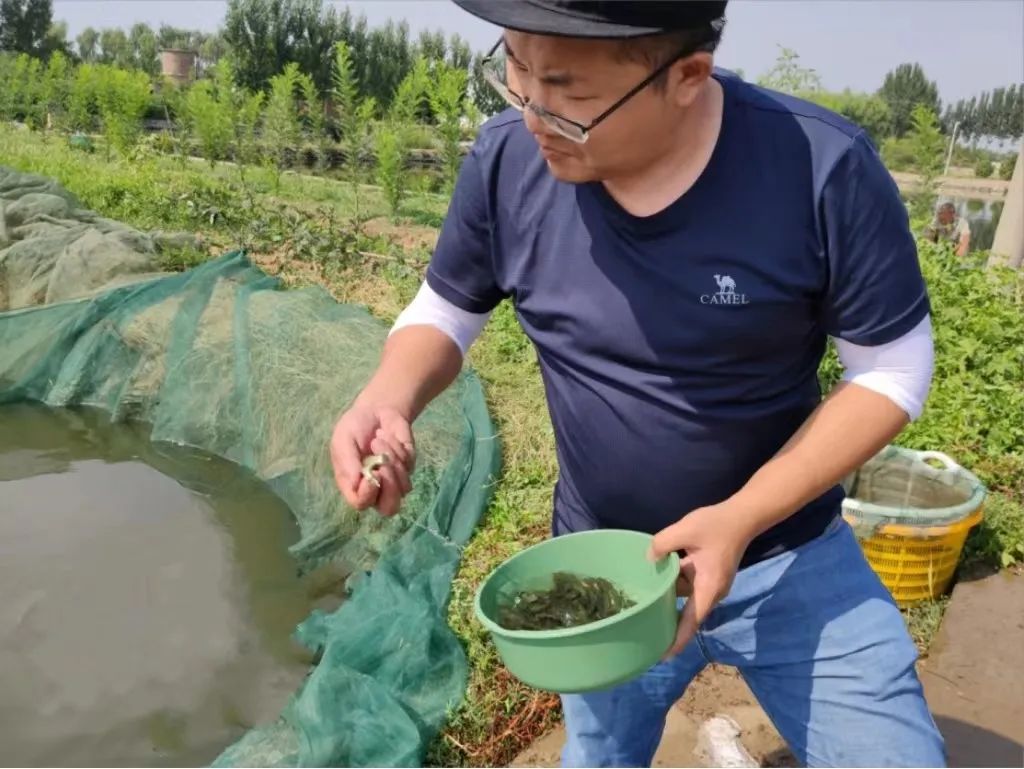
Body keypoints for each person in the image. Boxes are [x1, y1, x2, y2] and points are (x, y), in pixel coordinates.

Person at [329, 2, 944, 766]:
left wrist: (742, 516)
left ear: (687, 76)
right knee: (600, 755)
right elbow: (447, 309)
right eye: (516, 69)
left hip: (788, 555)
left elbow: (892, 366)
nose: (533, 115)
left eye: (569, 95)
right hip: (606, 570)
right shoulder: (508, 161)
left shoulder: (821, 169)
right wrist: (387, 396)